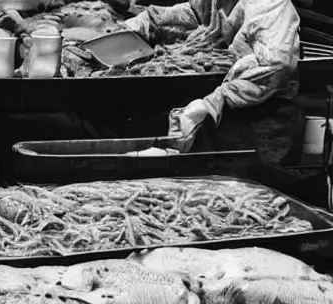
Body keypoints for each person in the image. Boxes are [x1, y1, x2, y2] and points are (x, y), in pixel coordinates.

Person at [125, 0, 307, 189]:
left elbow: (276, 66)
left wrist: (214, 102)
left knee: (257, 196)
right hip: (228, 118)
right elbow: (195, 12)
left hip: (265, 122)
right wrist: (150, 19)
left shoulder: (270, 4)